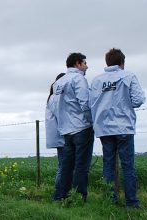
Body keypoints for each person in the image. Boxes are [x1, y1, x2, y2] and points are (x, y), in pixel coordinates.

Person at [89, 48, 145, 208]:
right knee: (127, 165)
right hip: (124, 127)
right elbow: (138, 99)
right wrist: (125, 102)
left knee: (108, 165)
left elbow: (90, 103)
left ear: (107, 62)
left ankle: (110, 201)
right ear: (122, 63)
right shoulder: (128, 76)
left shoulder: (97, 80)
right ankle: (132, 203)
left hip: (104, 128)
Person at [52, 53, 94, 202]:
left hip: (66, 130)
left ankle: (60, 197)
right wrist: (91, 121)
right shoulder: (79, 79)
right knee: (81, 166)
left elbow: (56, 106)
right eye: (84, 63)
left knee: (66, 166)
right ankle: (79, 198)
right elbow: (85, 103)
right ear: (77, 63)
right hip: (81, 127)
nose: (87, 66)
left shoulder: (59, 82)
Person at [45, 73, 65, 194]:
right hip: (61, 136)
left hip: (58, 136)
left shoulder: (51, 97)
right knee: (63, 166)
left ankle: (60, 192)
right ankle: (58, 192)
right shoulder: (54, 98)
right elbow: (60, 114)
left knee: (62, 165)